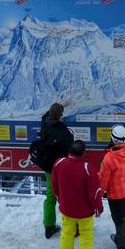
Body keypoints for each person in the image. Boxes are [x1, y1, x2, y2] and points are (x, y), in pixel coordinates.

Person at [51, 140, 103, 249]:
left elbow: (54, 185)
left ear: (69, 151)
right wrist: (98, 208)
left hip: (67, 209)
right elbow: (95, 192)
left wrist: (60, 198)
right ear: (84, 153)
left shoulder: (59, 163)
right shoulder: (87, 168)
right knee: (86, 234)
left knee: (67, 233)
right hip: (85, 212)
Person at [40, 102, 74, 239]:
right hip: (61, 169)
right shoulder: (64, 133)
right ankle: (72, 226)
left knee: (50, 196)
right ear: (61, 115)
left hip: (48, 167)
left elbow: (45, 116)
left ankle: (49, 227)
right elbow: (70, 150)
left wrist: (59, 106)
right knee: (66, 196)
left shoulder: (44, 124)